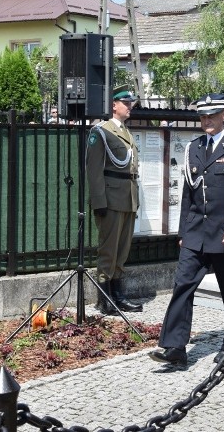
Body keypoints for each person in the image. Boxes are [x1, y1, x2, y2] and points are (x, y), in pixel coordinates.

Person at [149, 93, 224, 367]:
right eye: (202, 116)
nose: (206, 120)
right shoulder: (194, 147)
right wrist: (183, 231)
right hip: (196, 231)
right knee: (183, 285)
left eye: (211, 115)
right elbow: (189, 193)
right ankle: (174, 345)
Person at [86, 85, 142, 314]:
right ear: (113, 105)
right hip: (110, 198)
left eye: (130, 103)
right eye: (125, 103)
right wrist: (99, 202)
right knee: (108, 250)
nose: (130, 107)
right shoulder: (101, 131)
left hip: (127, 198)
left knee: (122, 250)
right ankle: (104, 297)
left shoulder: (126, 132)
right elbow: (94, 170)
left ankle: (118, 294)